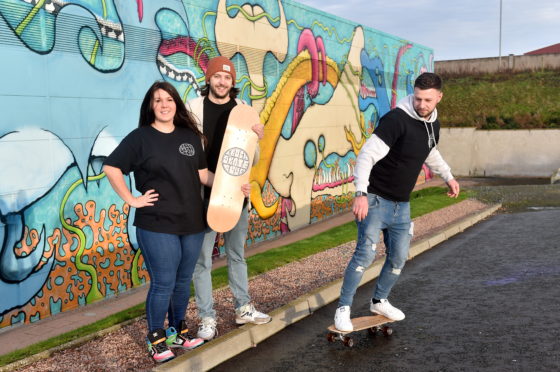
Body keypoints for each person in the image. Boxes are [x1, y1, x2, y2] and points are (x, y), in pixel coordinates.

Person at [103, 81, 224, 363]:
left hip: (193, 222)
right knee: (164, 282)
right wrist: (132, 200)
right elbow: (111, 167)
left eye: (168, 99)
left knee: (183, 281)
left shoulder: (190, 136)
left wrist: (231, 185)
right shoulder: (140, 138)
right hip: (156, 223)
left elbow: (203, 175)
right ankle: (156, 338)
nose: (164, 104)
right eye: (158, 100)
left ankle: (177, 330)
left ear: (176, 104)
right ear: (151, 106)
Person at [334, 72, 460, 331]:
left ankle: (379, 300)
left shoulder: (433, 125)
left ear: (439, 97)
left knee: (399, 257)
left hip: (401, 204)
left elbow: (430, 151)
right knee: (364, 256)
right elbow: (366, 155)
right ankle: (343, 309)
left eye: (427, 100)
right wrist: (360, 194)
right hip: (375, 199)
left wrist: (448, 176)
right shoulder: (396, 120)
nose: (422, 104)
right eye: (418, 98)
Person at [186, 56, 271, 341]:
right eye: (218, 77)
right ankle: (207, 317)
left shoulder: (244, 111)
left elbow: (251, 158)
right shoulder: (193, 108)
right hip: (204, 196)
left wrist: (256, 138)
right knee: (202, 262)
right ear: (209, 79)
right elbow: (186, 149)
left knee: (237, 255)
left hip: (236, 196)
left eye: (228, 78)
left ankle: (242, 308)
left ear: (232, 83)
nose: (223, 82)